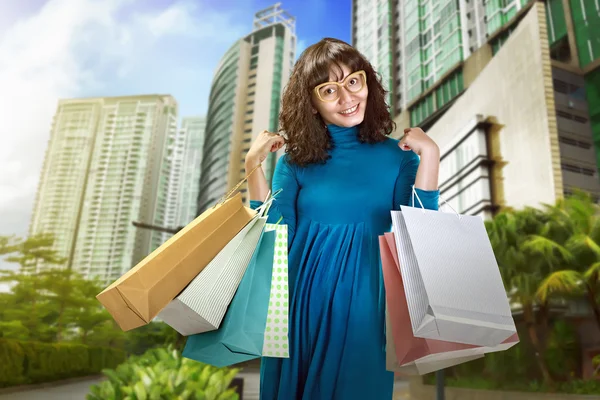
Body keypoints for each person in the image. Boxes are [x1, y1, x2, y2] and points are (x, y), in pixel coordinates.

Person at [244, 37, 441, 399]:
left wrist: (431, 156)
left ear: (367, 82)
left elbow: (420, 237)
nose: (348, 98)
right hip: (296, 311)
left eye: (354, 81)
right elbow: (272, 241)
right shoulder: (294, 163)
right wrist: (252, 166)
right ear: (312, 103)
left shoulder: (398, 158)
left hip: (364, 312)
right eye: (329, 90)